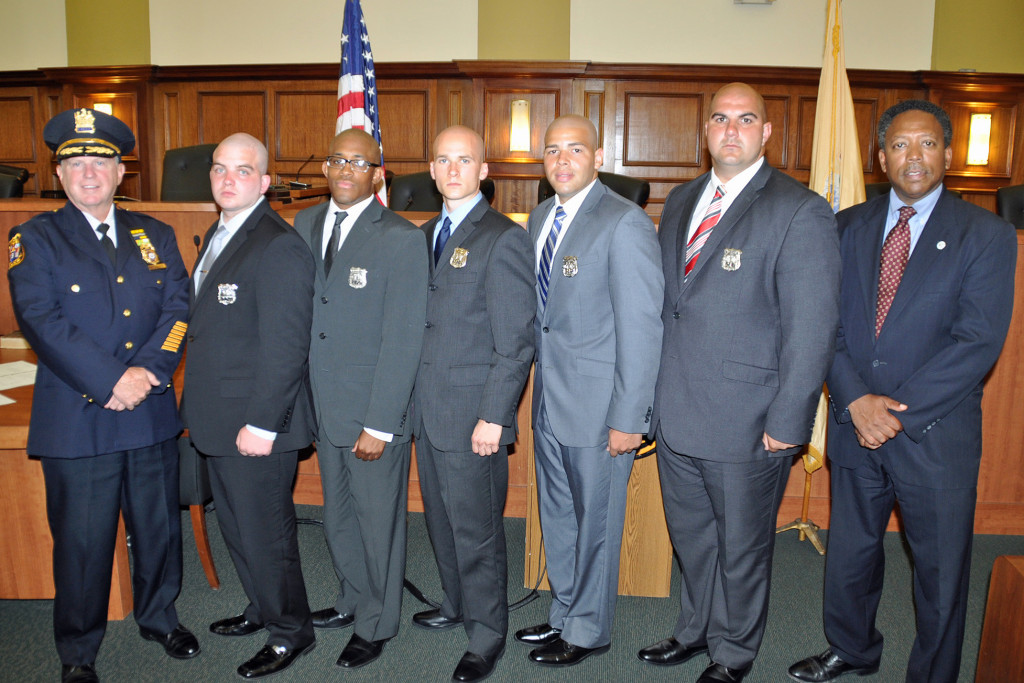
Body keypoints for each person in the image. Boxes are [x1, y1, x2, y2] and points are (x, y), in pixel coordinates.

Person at [788, 101, 1016, 683]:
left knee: (939, 572)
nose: (913, 157)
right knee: (851, 555)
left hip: (934, 434)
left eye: (927, 144)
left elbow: (977, 342)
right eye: (900, 146)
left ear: (947, 153)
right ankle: (852, 650)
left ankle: (934, 674)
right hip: (853, 422)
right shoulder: (845, 227)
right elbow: (824, 325)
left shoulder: (986, 235)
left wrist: (895, 412)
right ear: (881, 155)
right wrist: (857, 399)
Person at [641, 82, 841, 683]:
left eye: (745, 119)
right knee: (693, 539)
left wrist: (789, 423)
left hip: (749, 420)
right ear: (706, 131)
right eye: (720, 119)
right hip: (676, 411)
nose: (731, 130)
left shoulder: (798, 209)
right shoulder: (680, 200)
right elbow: (671, 307)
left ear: (766, 133)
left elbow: (812, 331)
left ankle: (732, 654)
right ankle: (694, 629)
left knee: (743, 549)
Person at [7, 108, 197, 683]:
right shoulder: (34, 237)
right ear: (59, 175)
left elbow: (178, 311)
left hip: (150, 412)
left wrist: (145, 375)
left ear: (122, 174)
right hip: (78, 415)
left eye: (102, 161)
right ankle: (78, 649)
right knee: (82, 542)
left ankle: (160, 616)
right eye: (75, 162)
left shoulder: (154, 234)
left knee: (159, 527)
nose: (89, 171)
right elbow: (39, 319)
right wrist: (113, 380)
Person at [515, 114, 663, 668]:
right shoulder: (538, 219)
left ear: (597, 157)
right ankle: (564, 614)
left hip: (602, 409)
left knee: (596, 523)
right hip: (551, 401)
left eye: (574, 149)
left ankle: (589, 630)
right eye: (552, 151)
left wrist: (631, 417)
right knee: (558, 515)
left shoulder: (624, 223)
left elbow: (642, 328)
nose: (561, 160)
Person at [181, 132, 317, 679]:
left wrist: (263, 423)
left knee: (267, 533)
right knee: (237, 527)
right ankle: (262, 609)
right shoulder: (220, 232)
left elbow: (287, 346)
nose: (228, 179)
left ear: (264, 182)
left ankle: (291, 633)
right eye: (219, 169)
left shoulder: (277, 244)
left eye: (243, 170)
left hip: (257, 424)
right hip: (218, 416)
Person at [292, 128, 428, 670]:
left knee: (377, 523)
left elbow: (404, 338)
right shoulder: (303, 224)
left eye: (359, 162)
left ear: (378, 175)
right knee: (339, 516)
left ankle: (378, 621)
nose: (346, 169)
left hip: (372, 410)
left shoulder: (399, 237)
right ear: (325, 169)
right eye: (337, 160)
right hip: (323, 405)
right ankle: (352, 599)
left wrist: (382, 422)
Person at [409, 126, 535, 683]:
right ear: (432, 171)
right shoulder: (425, 234)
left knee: (477, 529)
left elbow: (516, 341)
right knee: (440, 519)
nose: (454, 169)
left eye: (466, 160)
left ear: (485, 171)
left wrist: (495, 416)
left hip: (473, 415)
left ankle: (487, 634)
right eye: (444, 160)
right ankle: (455, 603)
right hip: (428, 409)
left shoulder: (503, 238)